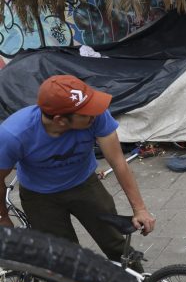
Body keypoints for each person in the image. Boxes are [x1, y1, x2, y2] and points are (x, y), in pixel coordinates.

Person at [0, 75, 156, 259]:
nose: (95, 113)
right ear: (60, 120)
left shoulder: (95, 116)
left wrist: (140, 209)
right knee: (64, 258)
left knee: (115, 243)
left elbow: (118, 161)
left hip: (85, 185)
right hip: (40, 197)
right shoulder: (14, 134)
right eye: (86, 113)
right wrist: (2, 217)